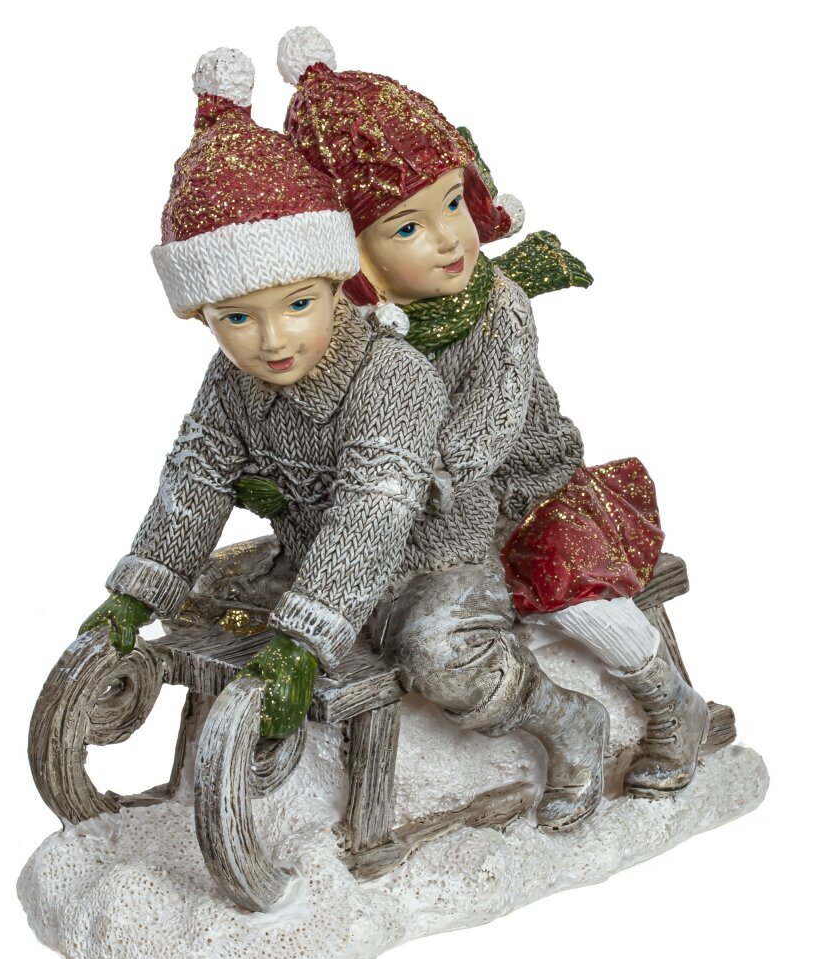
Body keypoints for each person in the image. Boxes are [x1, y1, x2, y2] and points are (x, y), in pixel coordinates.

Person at [80, 47, 609, 830]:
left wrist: (304, 636)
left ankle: (568, 721)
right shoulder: (231, 383)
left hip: (429, 552)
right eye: (237, 317)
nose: (271, 340)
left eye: (297, 305)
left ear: (336, 283)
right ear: (203, 316)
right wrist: (135, 593)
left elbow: (373, 510)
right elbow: (193, 476)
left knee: (441, 654)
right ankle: (246, 762)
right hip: (312, 553)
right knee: (212, 597)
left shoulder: (390, 375)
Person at [277, 26, 709, 798]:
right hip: (414, 519)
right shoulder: (347, 333)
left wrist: (434, 477)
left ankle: (669, 700)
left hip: (523, 490)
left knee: (572, 589)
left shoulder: (497, 308)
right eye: (409, 226)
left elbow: (494, 417)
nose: (450, 238)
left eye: (453, 203)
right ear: (352, 254)